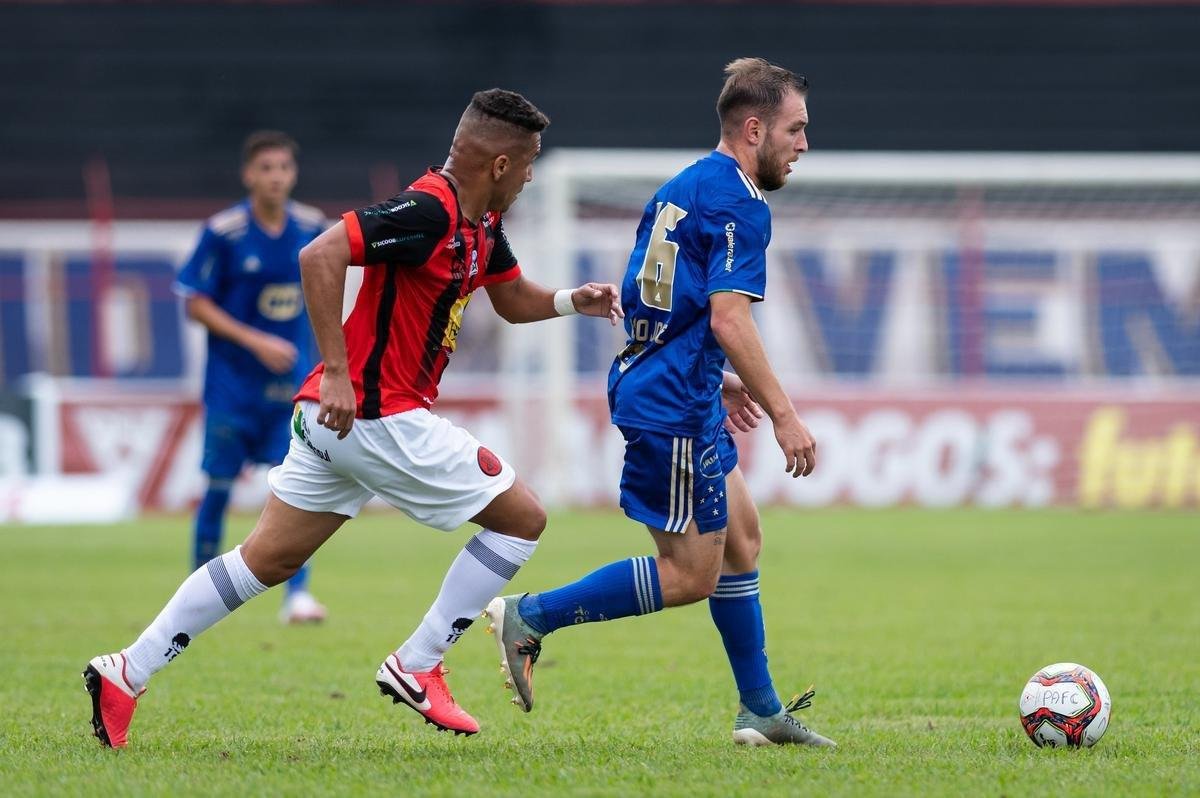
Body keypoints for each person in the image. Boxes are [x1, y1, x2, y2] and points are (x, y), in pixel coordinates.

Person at [82, 88, 623, 748]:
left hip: (336, 421)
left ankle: (124, 672)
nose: (535, 173)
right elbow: (320, 255)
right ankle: (418, 663)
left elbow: (509, 298)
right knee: (523, 519)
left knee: (264, 561)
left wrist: (574, 300)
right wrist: (337, 369)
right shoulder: (428, 210)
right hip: (375, 414)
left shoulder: (482, 223)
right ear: (502, 164)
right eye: (530, 160)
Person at [485, 58, 835, 747]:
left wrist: (712, 372)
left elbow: (659, 295)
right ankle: (530, 616)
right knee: (688, 575)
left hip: (679, 385)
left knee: (743, 540)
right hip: (670, 402)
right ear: (754, 128)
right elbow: (732, 318)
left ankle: (760, 709)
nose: (803, 145)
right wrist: (787, 416)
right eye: (795, 130)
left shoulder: (686, 184)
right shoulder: (738, 201)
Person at [175, 130, 328, 625]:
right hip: (232, 385)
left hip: (292, 387)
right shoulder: (225, 232)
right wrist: (255, 341)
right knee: (218, 484)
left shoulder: (311, 227)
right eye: (266, 168)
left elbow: (331, 287)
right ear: (248, 174)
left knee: (299, 491)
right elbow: (195, 303)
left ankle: (297, 597)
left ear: (293, 173)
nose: (276, 177)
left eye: (283, 167)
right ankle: (197, 591)